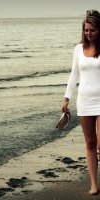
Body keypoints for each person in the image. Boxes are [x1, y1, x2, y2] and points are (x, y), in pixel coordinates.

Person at [62, 9, 100, 195]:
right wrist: (66, 98)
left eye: (92, 30)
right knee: (90, 143)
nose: (88, 33)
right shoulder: (78, 49)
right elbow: (74, 75)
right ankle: (94, 184)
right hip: (84, 101)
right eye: (86, 30)